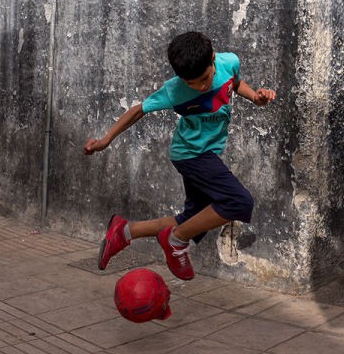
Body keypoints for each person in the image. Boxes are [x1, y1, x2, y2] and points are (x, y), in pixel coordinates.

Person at [83, 31, 276, 281]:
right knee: (239, 202)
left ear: (213, 59)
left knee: (191, 219)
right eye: (192, 83)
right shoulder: (174, 90)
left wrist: (255, 97)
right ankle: (175, 241)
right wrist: (106, 139)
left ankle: (124, 231)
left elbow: (235, 84)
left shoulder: (229, 63)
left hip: (210, 152)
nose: (201, 86)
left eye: (205, 78)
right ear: (179, 77)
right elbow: (137, 111)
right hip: (190, 154)